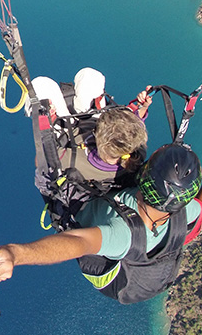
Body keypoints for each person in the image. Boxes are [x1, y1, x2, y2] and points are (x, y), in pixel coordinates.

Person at [0, 144, 202, 304]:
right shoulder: (186, 211)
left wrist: (15, 254)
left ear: (145, 175)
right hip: (148, 269)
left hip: (116, 274)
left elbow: (77, 242)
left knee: (47, 171)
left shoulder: (122, 234)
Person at [36, 86, 154, 230]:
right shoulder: (135, 155)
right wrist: (142, 107)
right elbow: (132, 133)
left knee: (41, 84)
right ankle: (88, 111)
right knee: (90, 76)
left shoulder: (74, 161)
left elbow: (41, 161)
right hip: (89, 130)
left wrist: (47, 123)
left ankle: (77, 115)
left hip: (71, 130)